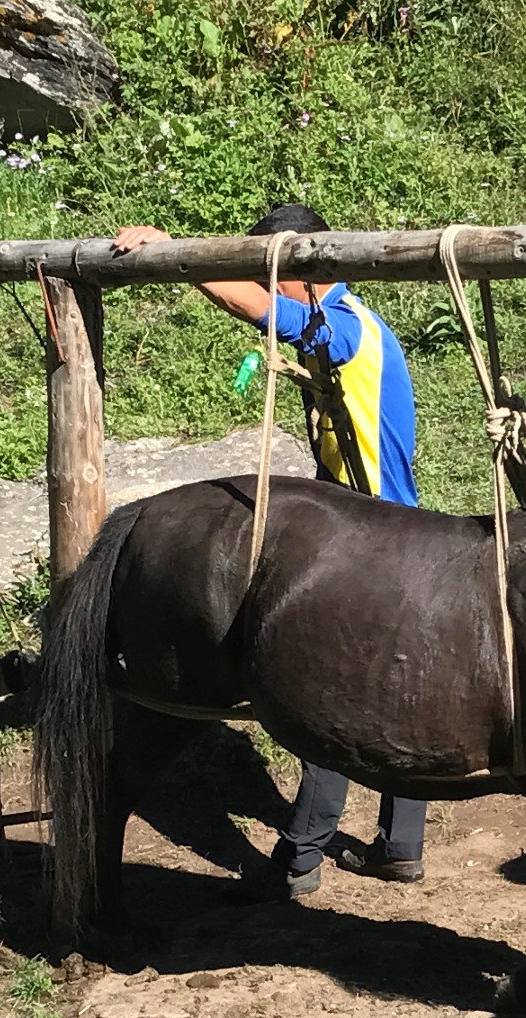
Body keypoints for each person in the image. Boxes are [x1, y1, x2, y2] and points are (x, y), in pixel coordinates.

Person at [112, 203, 429, 898]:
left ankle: (299, 859)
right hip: (383, 529)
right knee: (392, 696)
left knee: (328, 699)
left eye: (275, 270)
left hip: (377, 539)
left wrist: (180, 253)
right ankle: (401, 845)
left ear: (308, 271)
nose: (267, 281)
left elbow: (270, 317)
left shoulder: (346, 327)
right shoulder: (343, 329)